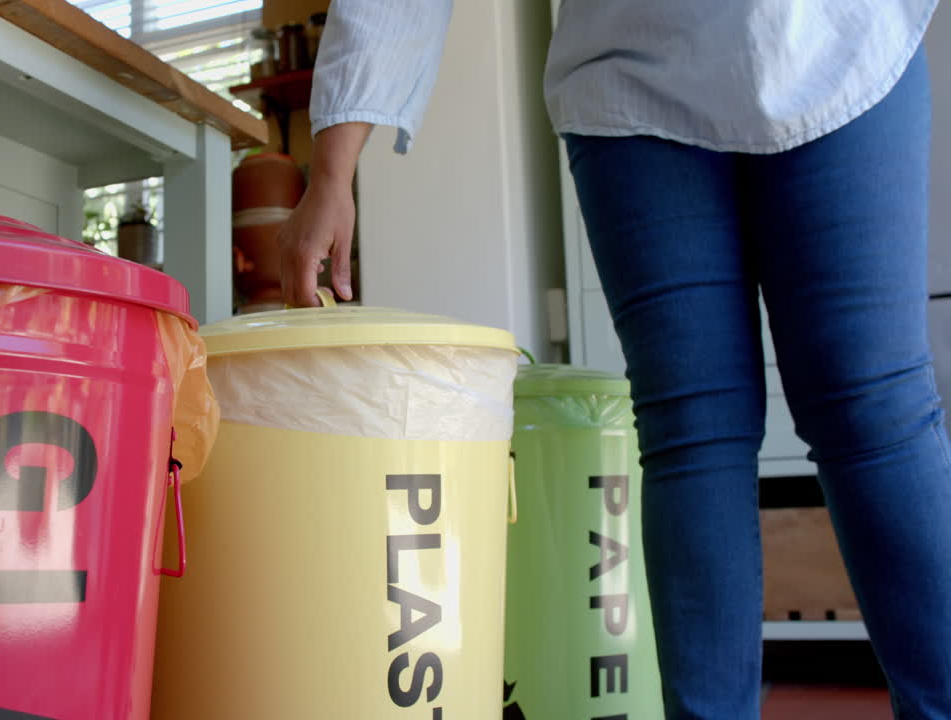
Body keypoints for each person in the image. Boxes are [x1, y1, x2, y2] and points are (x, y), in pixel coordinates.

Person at [278, 1, 951, 718]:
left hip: (832, 38)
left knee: (874, 410)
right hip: (633, 83)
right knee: (694, 431)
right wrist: (331, 170)